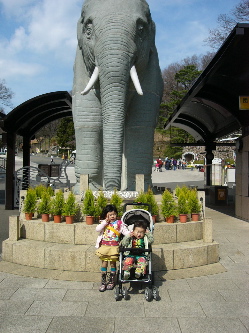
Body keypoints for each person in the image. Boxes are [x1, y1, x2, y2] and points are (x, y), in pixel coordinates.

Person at [95, 204, 130, 292]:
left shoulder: (119, 223)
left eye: (114, 214)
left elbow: (125, 231)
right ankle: (103, 282)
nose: (112, 216)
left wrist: (131, 234)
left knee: (113, 264)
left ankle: (111, 281)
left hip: (114, 246)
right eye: (110, 214)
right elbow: (97, 229)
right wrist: (104, 222)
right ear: (106, 215)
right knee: (104, 263)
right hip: (104, 246)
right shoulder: (104, 223)